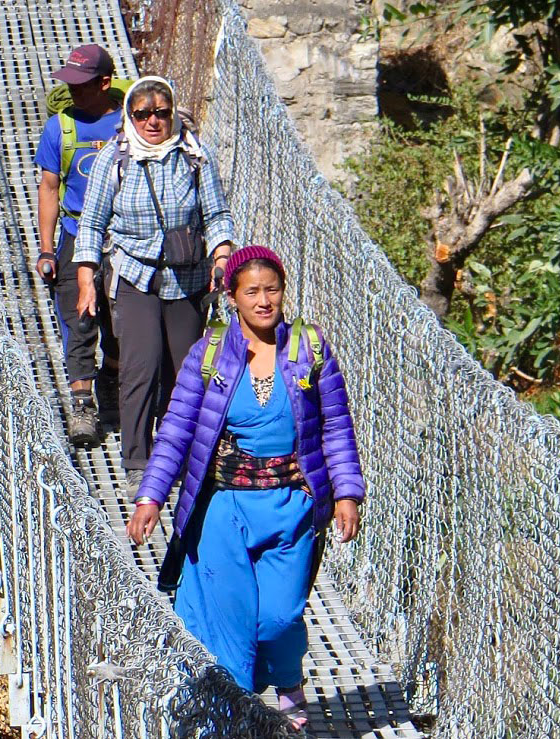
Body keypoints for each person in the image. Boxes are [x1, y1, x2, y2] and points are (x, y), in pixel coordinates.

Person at [125, 245, 365, 730]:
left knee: (278, 618)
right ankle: (235, 721)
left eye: (271, 289)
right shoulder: (210, 352)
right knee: (230, 629)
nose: (263, 300)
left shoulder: (308, 348)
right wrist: (151, 495)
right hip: (223, 506)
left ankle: (286, 679)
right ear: (232, 296)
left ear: (283, 292)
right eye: (251, 291)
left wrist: (346, 493)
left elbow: (336, 426)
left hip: (291, 506)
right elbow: (176, 429)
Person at [74, 75, 235, 488]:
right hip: (135, 273)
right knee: (140, 366)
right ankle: (137, 461)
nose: (152, 121)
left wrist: (222, 255)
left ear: (171, 113)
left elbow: (216, 217)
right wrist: (87, 279)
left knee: (186, 371)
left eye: (161, 112)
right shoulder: (114, 160)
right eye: (142, 113)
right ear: (129, 115)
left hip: (188, 275)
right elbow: (91, 224)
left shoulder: (195, 156)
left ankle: (181, 452)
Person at [34, 44, 125, 446]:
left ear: (104, 82)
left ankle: (111, 380)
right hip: (75, 237)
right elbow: (49, 188)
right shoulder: (60, 127)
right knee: (79, 321)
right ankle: (83, 407)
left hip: (122, 240)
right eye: (68, 83)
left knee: (121, 324)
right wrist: (47, 248)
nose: (73, 92)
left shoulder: (131, 123)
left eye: (82, 84)